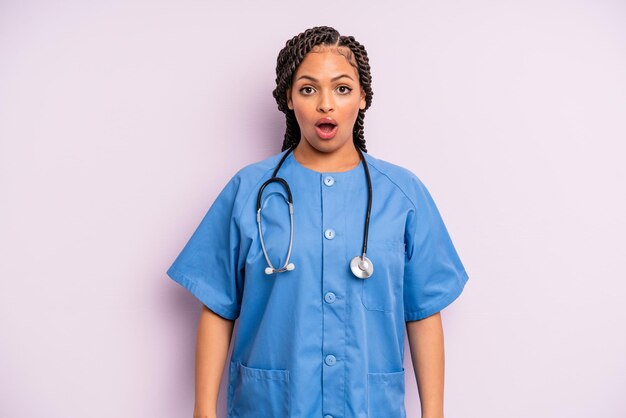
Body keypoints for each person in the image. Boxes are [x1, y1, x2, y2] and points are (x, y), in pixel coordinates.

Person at [167, 25, 470, 418]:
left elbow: (425, 312)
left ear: (363, 98)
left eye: (342, 89)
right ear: (289, 100)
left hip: (368, 406)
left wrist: (435, 414)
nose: (325, 104)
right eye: (308, 89)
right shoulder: (250, 190)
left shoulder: (403, 195)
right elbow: (218, 307)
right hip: (273, 407)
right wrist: (202, 412)